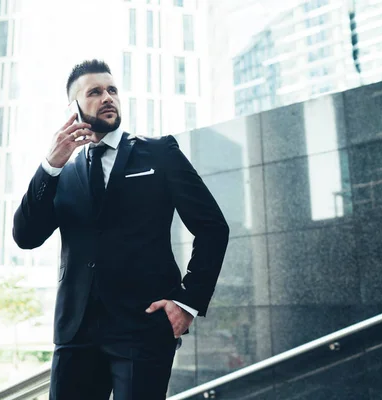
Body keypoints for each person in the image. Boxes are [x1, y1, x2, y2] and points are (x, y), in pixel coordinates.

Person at [13, 59, 229, 400]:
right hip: (76, 332)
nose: (107, 97)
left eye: (112, 90)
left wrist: (188, 302)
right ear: (74, 108)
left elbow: (213, 227)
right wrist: (50, 165)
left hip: (143, 328)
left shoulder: (159, 153)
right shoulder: (63, 175)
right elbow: (25, 236)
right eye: (95, 92)